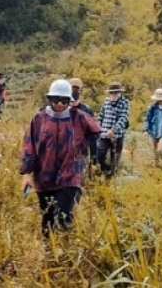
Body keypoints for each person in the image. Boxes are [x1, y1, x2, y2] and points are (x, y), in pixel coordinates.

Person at [20, 79, 102, 237]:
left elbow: (96, 131)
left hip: (69, 175)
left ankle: (66, 251)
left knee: (64, 216)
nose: (59, 104)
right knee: (47, 218)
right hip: (44, 175)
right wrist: (26, 173)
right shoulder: (39, 119)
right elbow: (29, 146)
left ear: (70, 101)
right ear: (49, 99)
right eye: (55, 99)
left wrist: (80, 147)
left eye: (64, 100)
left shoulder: (78, 117)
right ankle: (49, 252)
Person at [96, 81, 130, 177]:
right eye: (112, 92)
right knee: (100, 155)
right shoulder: (106, 101)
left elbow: (123, 118)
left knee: (114, 160)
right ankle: (104, 171)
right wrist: (97, 127)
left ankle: (111, 178)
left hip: (117, 136)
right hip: (104, 134)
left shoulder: (125, 102)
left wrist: (113, 130)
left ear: (120, 93)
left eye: (116, 92)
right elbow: (101, 116)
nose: (114, 94)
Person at [69, 78, 97, 166]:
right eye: (71, 88)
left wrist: (93, 158)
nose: (73, 91)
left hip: (81, 153)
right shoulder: (61, 109)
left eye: (76, 88)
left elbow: (93, 134)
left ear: (80, 90)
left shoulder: (87, 110)